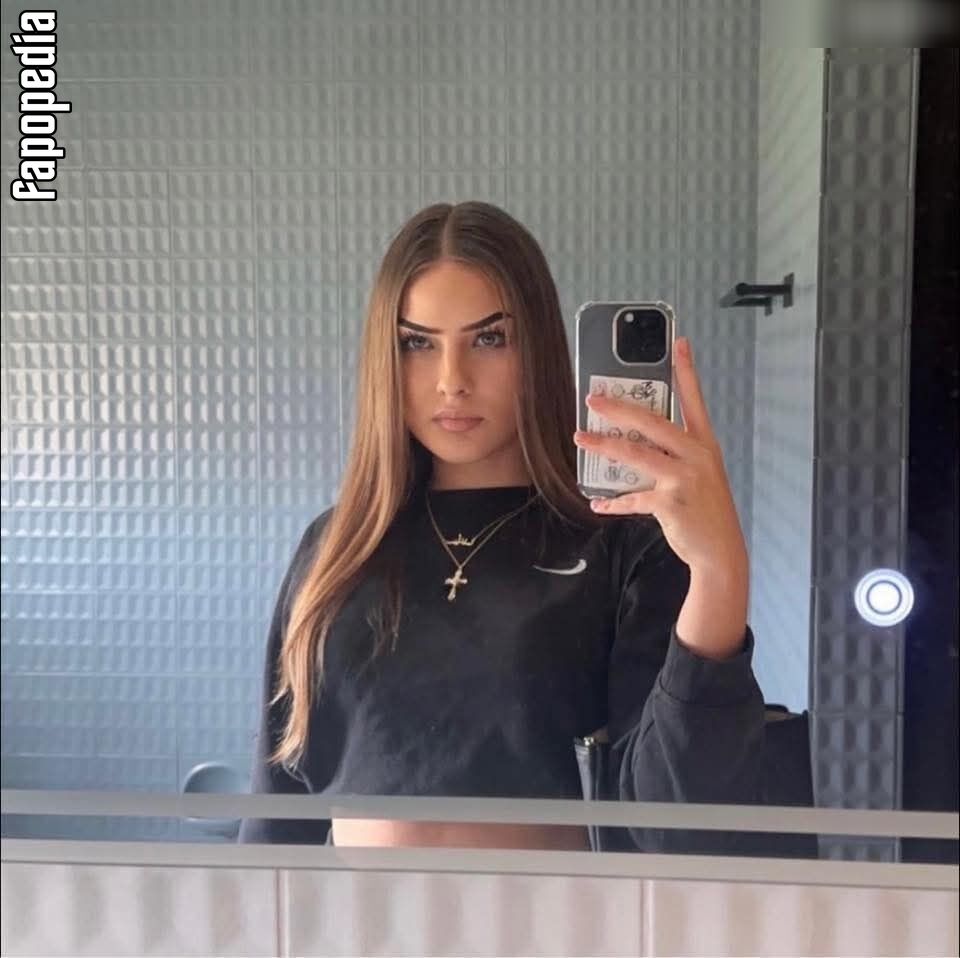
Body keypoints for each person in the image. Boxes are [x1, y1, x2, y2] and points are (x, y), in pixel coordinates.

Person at [237, 201, 765, 850]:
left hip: (554, 910)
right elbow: (276, 803)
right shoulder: (336, 548)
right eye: (418, 343)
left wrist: (718, 572)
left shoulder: (623, 541)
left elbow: (676, 821)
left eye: (489, 339)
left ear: (536, 347)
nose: (451, 381)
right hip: (350, 910)